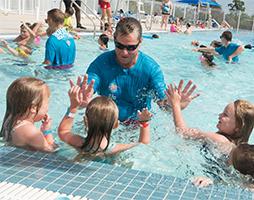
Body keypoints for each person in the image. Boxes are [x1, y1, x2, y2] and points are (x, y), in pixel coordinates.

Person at [86, 17, 198, 122]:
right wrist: (83, 97)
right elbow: (89, 87)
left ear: (140, 42)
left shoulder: (150, 69)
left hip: (137, 126)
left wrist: (175, 105)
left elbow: (163, 102)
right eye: (119, 45)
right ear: (114, 39)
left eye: (131, 47)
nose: (124, 52)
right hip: (105, 124)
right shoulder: (101, 64)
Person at [58, 75, 152, 156]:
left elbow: (63, 131)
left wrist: (73, 107)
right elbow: (142, 143)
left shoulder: (79, 143)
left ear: (85, 121)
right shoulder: (114, 149)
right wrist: (144, 123)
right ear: (116, 124)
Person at [165, 84, 254, 154]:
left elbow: (183, 132)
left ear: (238, 127)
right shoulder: (235, 145)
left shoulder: (219, 140)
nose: (220, 115)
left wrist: (175, 104)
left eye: (225, 115)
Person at [0, 77, 57, 152]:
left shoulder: (10, 120)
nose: (48, 107)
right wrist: (46, 131)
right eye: (47, 103)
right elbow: (51, 151)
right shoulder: (31, 132)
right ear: (33, 108)